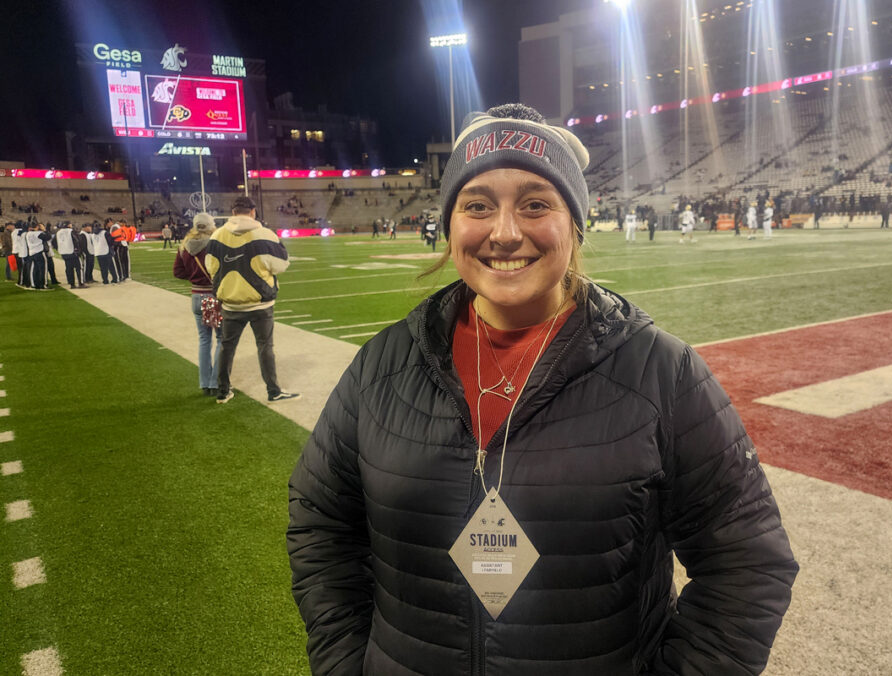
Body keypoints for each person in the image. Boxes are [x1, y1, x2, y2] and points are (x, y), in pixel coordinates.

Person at [287, 103, 797, 675]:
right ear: (450, 224)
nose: (505, 233)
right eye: (477, 205)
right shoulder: (382, 364)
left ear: (574, 221)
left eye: (535, 204)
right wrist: (345, 663)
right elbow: (321, 524)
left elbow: (749, 564)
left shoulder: (662, 372)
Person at [205, 196, 299, 404]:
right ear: (253, 212)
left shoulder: (217, 236)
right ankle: (273, 390)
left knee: (227, 346)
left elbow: (210, 266)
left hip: (231, 302)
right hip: (261, 302)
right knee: (265, 346)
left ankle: (223, 391)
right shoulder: (265, 234)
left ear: (232, 211)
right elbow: (281, 265)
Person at [173, 213, 223, 396]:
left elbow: (177, 272)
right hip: (210, 295)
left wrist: (194, 277)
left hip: (195, 296)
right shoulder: (213, 244)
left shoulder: (185, 245)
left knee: (204, 341)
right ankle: (215, 382)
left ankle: (204, 382)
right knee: (221, 340)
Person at [55, 223, 85, 288]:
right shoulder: (71, 231)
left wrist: (59, 248)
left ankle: (72, 284)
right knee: (79, 268)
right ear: (68, 225)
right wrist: (78, 249)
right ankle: (81, 283)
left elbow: (54, 242)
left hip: (64, 253)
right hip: (73, 252)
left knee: (69, 269)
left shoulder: (58, 232)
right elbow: (77, 240)